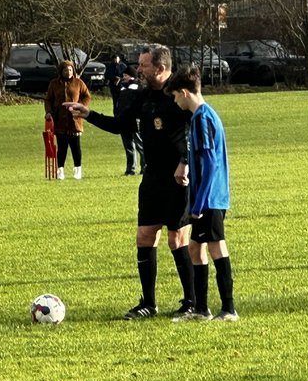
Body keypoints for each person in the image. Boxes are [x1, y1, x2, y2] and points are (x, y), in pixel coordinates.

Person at [66, 43, 197, 320]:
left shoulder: (180, 94)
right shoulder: (144, 96)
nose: (138, 69)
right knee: (145, 236)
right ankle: (148, 302)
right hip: (152, 177)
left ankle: (190, 302)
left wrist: (185, 162)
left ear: (160, 68)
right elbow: (120, 125)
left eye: (143, 65)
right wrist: (88, 114)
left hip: (179, 178)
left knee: (177, 239)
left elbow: (197, 131)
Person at [164, 65, 238, 321]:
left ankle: (228, 309)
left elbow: (210, 164)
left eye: (175, 96)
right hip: (206, 196)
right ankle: (201, 309)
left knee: (217, 247)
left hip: (210, 198)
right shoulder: (202, 116)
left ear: (184, 92)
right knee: (196, 247)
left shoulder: (202, 118)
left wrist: (198, 204)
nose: (175, 102)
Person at [44, 58, 90, 180]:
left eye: (70, 70)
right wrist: (48, 112)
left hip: (75, 120)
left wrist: (80, 107)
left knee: (76, 147)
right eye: (66, 70)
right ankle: (60, 170)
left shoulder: (79, 83)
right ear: (61, 71)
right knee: (62, 147)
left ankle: (78, 169)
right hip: (59, 120)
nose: (68, 72)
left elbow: (87, 96)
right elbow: (48, 99)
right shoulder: (54, 84)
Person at [113, 70, 144, 175]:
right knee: (129, 147)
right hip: (123, 121)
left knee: (140, 146)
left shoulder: (137, 88)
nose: (123, 77)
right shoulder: (122, 88)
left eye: (126, 75)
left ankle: (145, 167)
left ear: (132, 77)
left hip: (135, 121)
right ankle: (130, 169)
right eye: (123, 75)